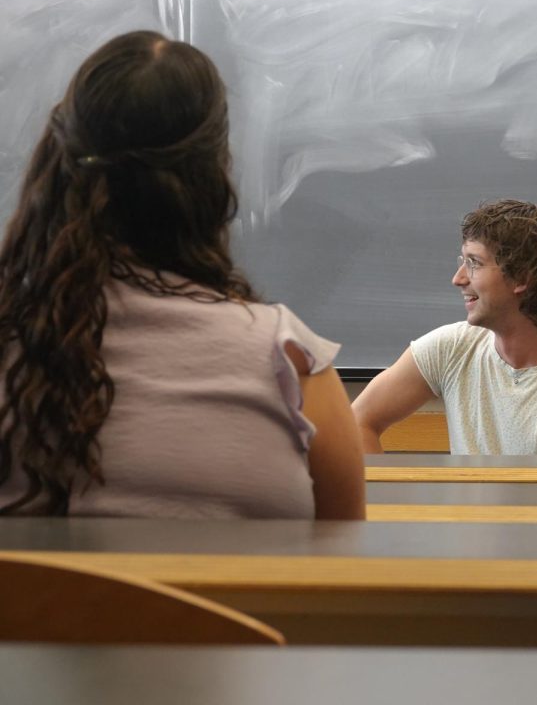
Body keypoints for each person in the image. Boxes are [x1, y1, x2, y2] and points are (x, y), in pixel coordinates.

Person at [0, 31, 365, 519]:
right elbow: (345, 572)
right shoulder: (291, 363)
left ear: (62, 161)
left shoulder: (13, 340)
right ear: (213, 176)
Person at [354, 199, 537, 455]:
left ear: (521, 277)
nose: (458, 279)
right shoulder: (450, 348)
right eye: (463, 261)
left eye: (474, 263)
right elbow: (357, 422)